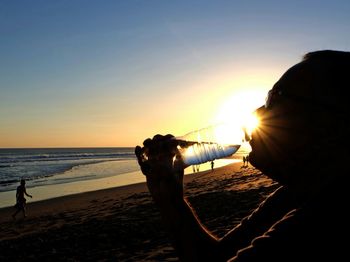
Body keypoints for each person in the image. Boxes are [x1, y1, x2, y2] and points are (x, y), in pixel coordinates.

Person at [135, 50, 350, 261]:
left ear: (333, 123)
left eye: (275, 98)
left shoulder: (326, 215)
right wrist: (171, 200)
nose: (256, 112)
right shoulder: (291, 194)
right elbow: (215, 256)